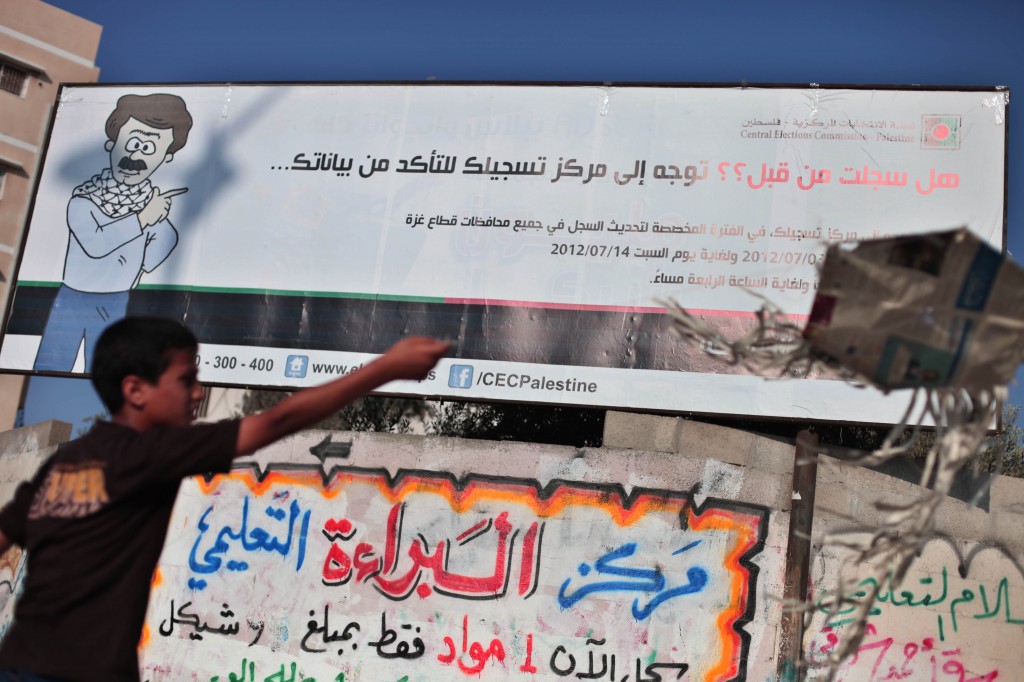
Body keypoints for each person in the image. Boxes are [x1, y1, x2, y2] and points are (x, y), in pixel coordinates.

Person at [0, 317, 449, 682]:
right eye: (186, 379)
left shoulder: (63, 466)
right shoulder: (150, 453)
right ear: (135, 390)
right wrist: (385, 369)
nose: (198, 392)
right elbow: (278, 420)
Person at [34, 94, 194, 372]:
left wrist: (152, 232)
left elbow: (163, 245)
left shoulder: (150, 205)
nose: (136, 157)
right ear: (111, 144)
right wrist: (143, 218)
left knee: (105, 375)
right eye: (132, 143)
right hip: (72, 298)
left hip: (118, 300)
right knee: (51, 364)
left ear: (166, 157)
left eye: (149, 148)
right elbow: (95, 243)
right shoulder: (84, 198)